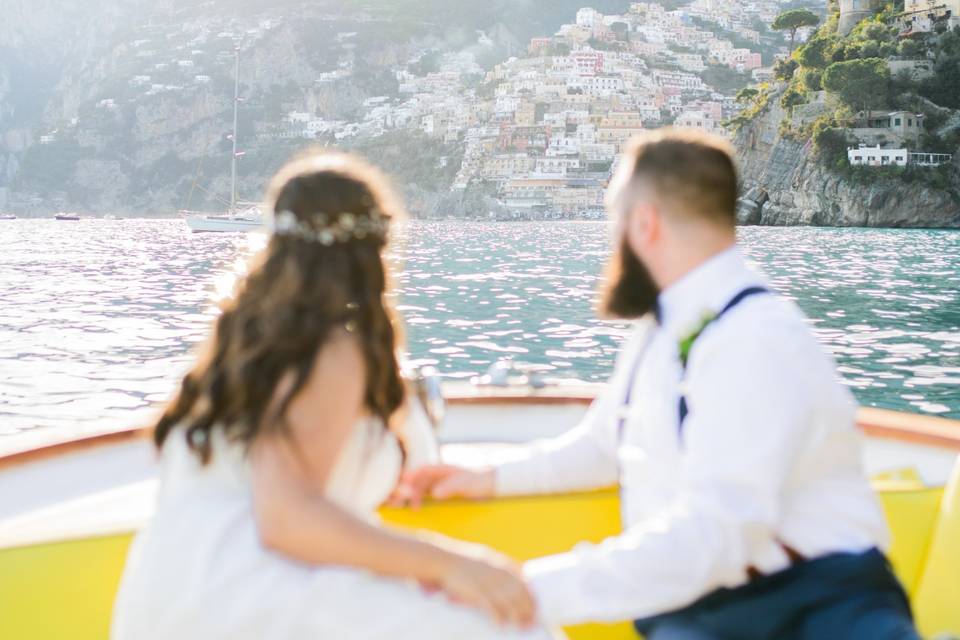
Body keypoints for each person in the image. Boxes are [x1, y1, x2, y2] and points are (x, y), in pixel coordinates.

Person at [399, 130, 921, 639]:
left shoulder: (756, 339)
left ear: (643, 224)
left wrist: (526, 588)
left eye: (613, 219)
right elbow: (605, 447)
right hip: (698, 612)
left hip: (816, 610)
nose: (611, 240)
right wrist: (487, 478)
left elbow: (721, 533)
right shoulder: (662, 327)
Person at [112, 152, 558, 640]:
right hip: (252, 593)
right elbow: (285, 519)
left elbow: (266, 470)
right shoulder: (329, 349)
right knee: (522, 629)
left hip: (163, 594)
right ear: (374, 247)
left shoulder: (245, 341)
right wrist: (454, 563)